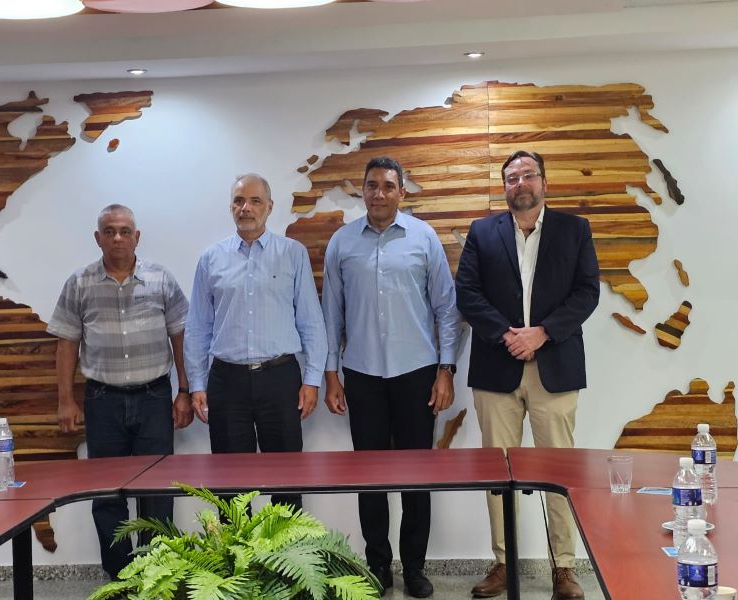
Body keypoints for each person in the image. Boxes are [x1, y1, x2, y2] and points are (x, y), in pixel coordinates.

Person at [455, 150, 600, 599]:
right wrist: (507, 335)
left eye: (528, 175)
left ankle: (564, 568)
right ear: (505, 187)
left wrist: (542, 333)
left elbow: (587, 292)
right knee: (497, 475)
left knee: (558, 471)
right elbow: (467, 293)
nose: (521, 183)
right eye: (512, 177)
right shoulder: (482, 232)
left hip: (554, 367)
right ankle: (504, 563)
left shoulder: (574, 229)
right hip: (496, 370)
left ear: (544, 181)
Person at [321, 156, 461, 598]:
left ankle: (415, 568)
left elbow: (447, 309)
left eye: (387, 185)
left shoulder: (423, 238)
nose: (378, 193)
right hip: (362, 375)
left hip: (417, 375)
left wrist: (446, 370)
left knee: (417, 477)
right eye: (371, 185)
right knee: (370, 478)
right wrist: (331, 376)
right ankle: (377, 567)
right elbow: (331, 315)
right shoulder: (342, 243)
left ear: (402, 192)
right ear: (361, 191)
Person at [48, 203, 193, 580]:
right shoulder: (79, 283)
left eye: (125, 231)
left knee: (157, 492)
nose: (117, 238)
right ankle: (120, 578)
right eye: (109, 231)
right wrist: (66, 400)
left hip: (154, 399)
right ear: (97, 238)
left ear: (136, 237)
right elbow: (66, 342)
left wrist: (184, 390)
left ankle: (156, 575)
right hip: (103, 401)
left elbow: (181, 335)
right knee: (107, 493)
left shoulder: (161, 278)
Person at [184, 173, 327, 511]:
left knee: (287, 480)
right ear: (231, 207)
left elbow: (311, 321)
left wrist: (312, 380)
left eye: (255, 201)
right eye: (238, 201)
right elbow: (198, 327)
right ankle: (238, 548)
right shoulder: (211, 259)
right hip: (226, 381)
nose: (245, 208)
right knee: (231, 486)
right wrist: (197, 384)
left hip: (280, 378)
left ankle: (286, 548)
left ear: (270, 207)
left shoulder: (292, 254)